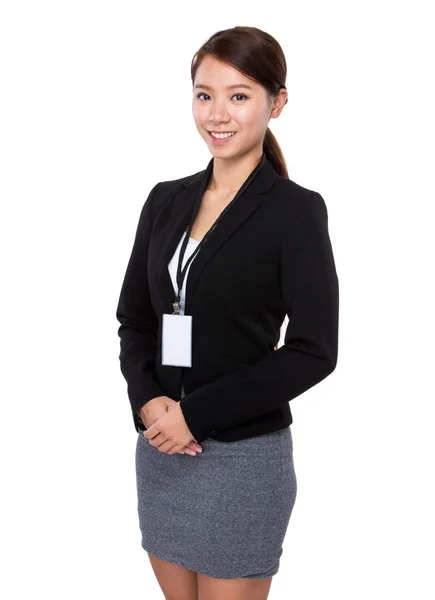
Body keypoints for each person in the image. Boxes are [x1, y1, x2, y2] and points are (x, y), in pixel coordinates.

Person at [116, 25, 339, 600]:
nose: (217, 113)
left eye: (239, 95)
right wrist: (149, 402)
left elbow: (315, 350)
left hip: (242, 458)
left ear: (277, 102)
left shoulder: (295, 212)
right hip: (162, 447)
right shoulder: (165, 198)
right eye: (204, 94)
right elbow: (135, 321)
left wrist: (199, 414)